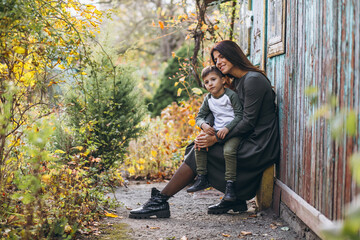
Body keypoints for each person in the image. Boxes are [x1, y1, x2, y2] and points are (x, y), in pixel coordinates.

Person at [129, 40, 279, 219]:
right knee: (197, 145)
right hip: (247, 138)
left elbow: (248, 122)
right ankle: (234, 199)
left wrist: (216, 138)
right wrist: (207, 130)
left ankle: (160, 201)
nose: (219, 62)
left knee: (199, 150)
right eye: (216, 59)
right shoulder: (239, 81)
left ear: (234, 54)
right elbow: (219, 111)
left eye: (222, 56)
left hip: (259, 145)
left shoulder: (252, 80)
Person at [186, 66, 243, 203]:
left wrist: (227, 128)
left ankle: (230, 185)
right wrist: (204, 125)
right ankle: (202, 177)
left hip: (233, 132)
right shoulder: (208, 99)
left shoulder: (231, 96)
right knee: (199, 143)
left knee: (229, 151)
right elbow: (199, 117)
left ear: (223, 80)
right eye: (206, 82)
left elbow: (240, 115)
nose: (210, 83)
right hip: (216, 131)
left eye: (213, 79)